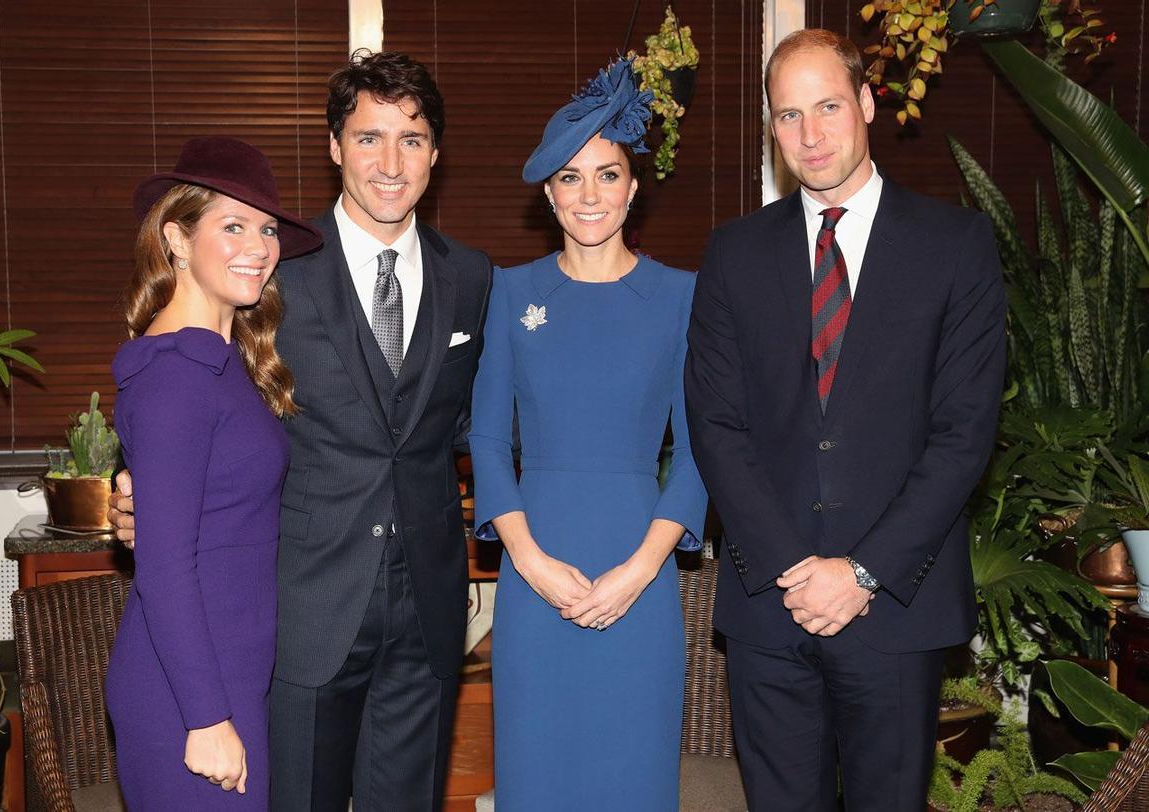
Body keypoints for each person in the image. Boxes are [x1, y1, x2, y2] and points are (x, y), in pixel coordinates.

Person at [108, 51, 492, 811]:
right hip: (301, 616)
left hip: (428, 614)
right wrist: (132, 501)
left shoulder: (472, 277)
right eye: (368, 137)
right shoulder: (268, 269)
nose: (390, 162)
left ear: (436, 156)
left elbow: (475, 423)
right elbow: (178, 393)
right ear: (333, 146)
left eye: (411, 140)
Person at [684, 29, 1006, 811]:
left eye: (828, 106)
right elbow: (715, 425)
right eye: (788, 116)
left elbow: (963, 433)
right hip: (771, 606)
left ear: (865, 103)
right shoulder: (732, 252)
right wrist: (798, 569)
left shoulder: (955, 245)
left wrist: (860, 574)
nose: (811, 135)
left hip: (897, 606)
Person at [469, 58, 708, 812]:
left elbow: (701, 450)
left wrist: (640, 570)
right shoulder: (511, 293)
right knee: (538, 774)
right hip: (533, 568)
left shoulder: (680, 298)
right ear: (549, 193)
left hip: (642, 568)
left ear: (634, 187)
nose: (589, 195)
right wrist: (530, 560)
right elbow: (483, 438)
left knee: (631, 773)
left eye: (607, 175)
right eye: (570, 179)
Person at [107, 136, 323, 809]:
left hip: (230, 671)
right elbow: (165, 567)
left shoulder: (224, 362)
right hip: (189, 694)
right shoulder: (176, 376)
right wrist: (205, 716)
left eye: (265, 228)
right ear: (176, 237)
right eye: (232, 226)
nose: (258, 246)